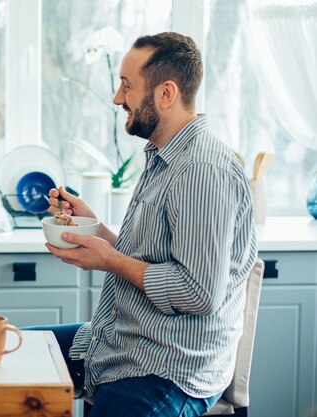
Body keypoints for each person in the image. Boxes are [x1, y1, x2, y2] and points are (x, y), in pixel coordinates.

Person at [34, 32, 258, 417]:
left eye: (126, 86)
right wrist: (98, 230)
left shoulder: (201, 170)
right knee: (9, 357)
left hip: (168, 366)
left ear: (166, 93)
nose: (118, 98)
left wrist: (109, 260)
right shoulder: (163, 155)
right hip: (121, 342)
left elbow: (198, 291)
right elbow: (158, 257)